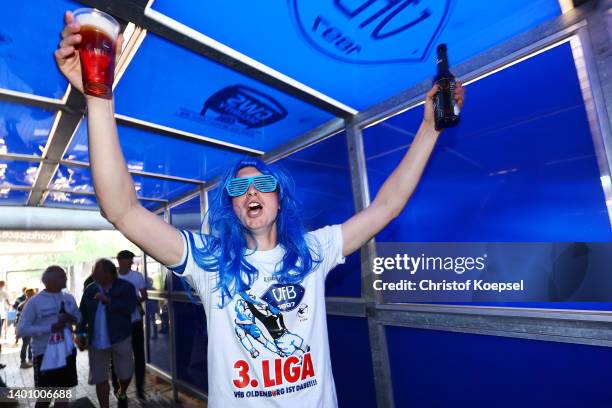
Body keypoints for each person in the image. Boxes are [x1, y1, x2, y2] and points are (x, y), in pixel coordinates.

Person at [55, 10, 465, 407]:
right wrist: (98, 98)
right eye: (240, 186)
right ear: (232, 205)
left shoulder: (313, 251)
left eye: (263, 184)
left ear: (279, 199)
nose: (252, 191)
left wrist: (429, 127)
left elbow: (387, 205)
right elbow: (122, 210)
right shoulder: (208, 261)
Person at [16, 266, 80, 408]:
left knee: (63, 393)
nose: (66, 278)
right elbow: (21, 329)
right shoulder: (34, 302)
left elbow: (79, 318)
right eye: (62, 276)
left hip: (67, 352)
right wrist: (49, 328)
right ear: (49, 280)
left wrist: (70, 317)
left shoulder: (68, 298)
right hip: (44, 354)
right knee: (45, 397)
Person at [77, 259, 138, 408]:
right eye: (93, 272)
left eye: (96, 272)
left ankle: (122, 391)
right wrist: (79, 333)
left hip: (120, 337)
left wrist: (108, 300)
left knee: (125, 373)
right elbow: (82, 313)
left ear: (108, 274)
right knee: (100, 378)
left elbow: (130, 307)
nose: (93, 274)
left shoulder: (125, 287)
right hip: (96, 341)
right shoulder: (90, 289)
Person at [112, 250, 147, 400]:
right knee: (117, 356)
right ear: (119, 261)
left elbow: (144, 295)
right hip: (118, 324)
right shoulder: (112, 277)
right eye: (127, 260)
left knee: (139, 356)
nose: (130, 263)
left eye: (130, 260)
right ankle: (118, 389)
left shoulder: (137, 276)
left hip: (135, 322)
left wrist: (134, 302)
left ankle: (140, 389)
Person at [16, 288, 36, 368]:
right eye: (31, 294)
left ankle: (30, 360)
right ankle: (23, 362)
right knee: (25, 345)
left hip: (31, 328)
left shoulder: (23, 304)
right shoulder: (23, 305)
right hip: (27, 328)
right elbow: (19, 319)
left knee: (30, 345)